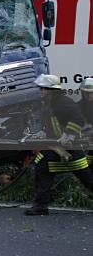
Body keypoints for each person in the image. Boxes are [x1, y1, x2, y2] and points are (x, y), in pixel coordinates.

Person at [25, 74, 93, 215]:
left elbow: (78, 120)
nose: (41, 91)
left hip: (70, 148)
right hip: (56, 148)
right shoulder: (50, 103)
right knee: (42, 168)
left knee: (86, 177)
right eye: (41, 89)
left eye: (44, 89)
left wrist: (68, 135)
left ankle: (41, 206)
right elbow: (51, 125)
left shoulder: (63, 102)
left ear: (52, 90)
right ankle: (41, 206)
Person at [78, 78, 93, 167]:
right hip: (86, 142)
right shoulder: (78, 106)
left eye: (90, 92)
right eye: (85, 92)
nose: (87, 95)